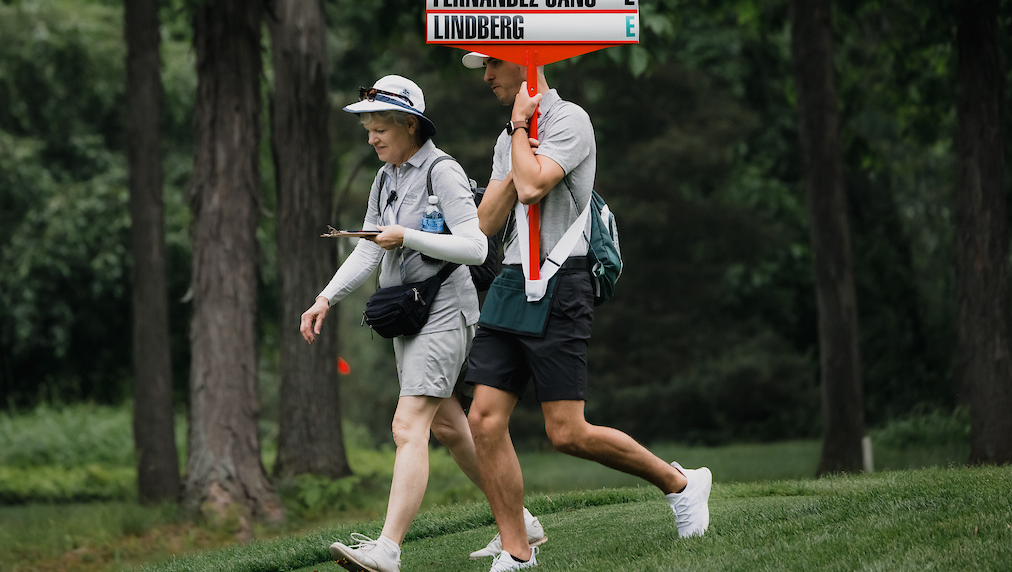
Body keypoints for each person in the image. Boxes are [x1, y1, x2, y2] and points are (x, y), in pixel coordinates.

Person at [460, 52, 713, 572]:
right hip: (512, 280)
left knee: (566, 432)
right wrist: (515, 138)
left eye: (494, 65)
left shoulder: (570, 119)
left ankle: (681, 484)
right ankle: (517, 551)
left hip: (562, 279)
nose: (486, 77)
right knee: (483, 421)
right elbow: (485, 223)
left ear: (526, 65)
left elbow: (535, 186)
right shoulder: (507, 138)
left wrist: (520, 130)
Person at [300, 74, 544, 572]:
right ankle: (521, 522)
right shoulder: (385, 177)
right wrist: (325, 297)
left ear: (410, 124)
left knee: (407, 425)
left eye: (379, 128)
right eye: (367, 129)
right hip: (410, 315)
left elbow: (475, 247)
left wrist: (407, 236)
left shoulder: (442, 171)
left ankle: (387, 551)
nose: (371, 138)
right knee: (452, 427)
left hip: (446, 313)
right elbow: (369, 249)